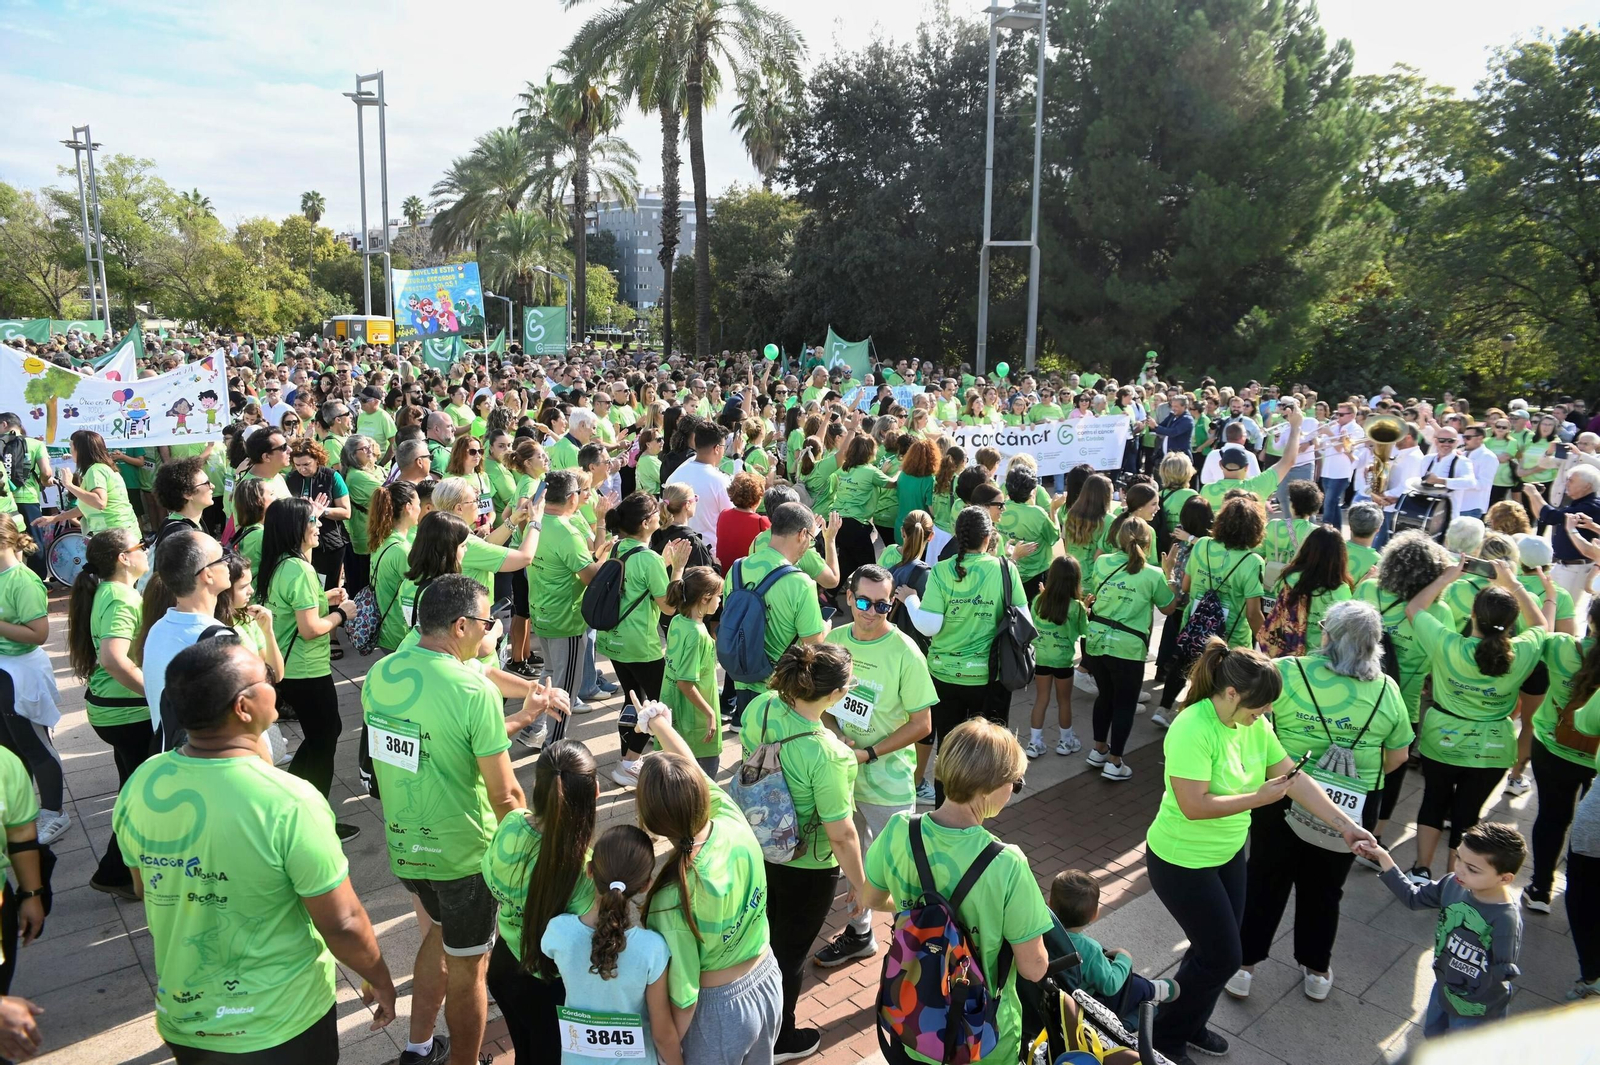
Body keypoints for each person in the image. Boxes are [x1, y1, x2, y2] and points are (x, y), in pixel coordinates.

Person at [114, 637, 396, 1063]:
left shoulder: (144, 781)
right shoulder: (289, 801)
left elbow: (143, 888)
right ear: (243, 707)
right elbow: (342, 922)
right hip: (281, 1025)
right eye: (265, 676)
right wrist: (379, 977)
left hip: (186, 1019)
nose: (274, 682)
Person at [1144, 640, 1373, 1062]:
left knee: (1213, 950)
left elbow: (1293, 779)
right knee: (1222, 957)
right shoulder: (1192, 727)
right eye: (1260, 705)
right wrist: (1258, 798)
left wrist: (1346, 826)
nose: (1265, 713)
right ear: (1231, 693)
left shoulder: (1254, 725)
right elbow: (1194, 806)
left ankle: (1186, 1024)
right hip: (1181, 861)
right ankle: (1165, 1038)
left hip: (1227, 853)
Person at [366, 574, 531, 1065]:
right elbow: (505, 793)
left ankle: (418, 1047)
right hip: (464, 855)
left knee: (438, 933)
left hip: (406, 846)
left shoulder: (381, 674)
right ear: (461, 626)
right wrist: (529, 854)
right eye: (486, 622)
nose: (489, 631)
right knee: (469, 967)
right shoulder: (472, 689)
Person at [1227, 601, 1412, 1003]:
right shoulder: (1387, 689)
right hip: (1355, 803)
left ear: (1327, 634)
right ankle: (1316, 970)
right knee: (1326, 888)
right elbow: (1399, 755)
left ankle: (1243, 967)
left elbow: (1252, 722)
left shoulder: (1289, 671)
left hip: (1283, 790)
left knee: (1265, 878)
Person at [859, 718, 1052, 1065]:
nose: (1014, 790)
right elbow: (1034, 969)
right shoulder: (1007, 864)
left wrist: (911, 910)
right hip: (982, 1038)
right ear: (989, 788)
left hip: (915, 1022)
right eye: (1015, 783)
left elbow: (869, 899)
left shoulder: (898, 830)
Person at [736, 642, 869, 1060]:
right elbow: (842, 834)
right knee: (790, 953)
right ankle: (779, 1040)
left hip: (757, 846)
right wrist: (860, 883)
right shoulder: (829, 754)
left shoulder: (759, 707)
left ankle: (750, 1020)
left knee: (762, 938)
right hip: (807, 865)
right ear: (836, 694)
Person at [635, 713, 782, 1065]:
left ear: (653, 823)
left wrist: (669, 1057)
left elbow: (684, 998)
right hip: (767, 979)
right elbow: (692, 769)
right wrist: (659, 723)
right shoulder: (731, 818)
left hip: (718, 1014)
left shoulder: (672, 899)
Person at [812, 564, 937, 969]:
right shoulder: (834, 641)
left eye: (882, 605)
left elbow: (923, 724)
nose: (871, 612)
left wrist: (869, 753)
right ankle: (860, 933)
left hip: (887, 784)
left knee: (900, 872)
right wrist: (834, 734)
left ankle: (914, 950)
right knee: (852, 860)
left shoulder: (905, 651)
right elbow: (821, 704)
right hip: (842, 777)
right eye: (863, 602)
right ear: (849, 597)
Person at [1403, 558, 1553, 883]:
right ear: (1512, 622)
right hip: (1493, 748)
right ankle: (1455, 881)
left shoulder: (1447, 643)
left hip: (1442, 739)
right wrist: (1513, 583)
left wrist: (1447, 576)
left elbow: (1414, 608)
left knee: (1433, 801)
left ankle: (1420, 870)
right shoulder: (1524, 650)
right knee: (1468, 814)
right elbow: (1542, 624)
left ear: (1473, 615)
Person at [898, 507, 1033, 797]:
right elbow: (1025, 621)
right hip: (990, 678)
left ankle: (945, 808)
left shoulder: (941, 570)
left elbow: (929, 626)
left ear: (958, 536)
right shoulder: (1006, 569)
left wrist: (910, 600)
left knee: (948, 749)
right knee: (989, 750)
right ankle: (982, 805)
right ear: (988, 538)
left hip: (944, 677)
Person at [482, 740, 600, 1064]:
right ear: (595, 793)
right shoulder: (585, 870)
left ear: (537, 787)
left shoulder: (511, 823)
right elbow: (585, 942)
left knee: (524, 1052)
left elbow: (488, 872)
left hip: (504, 967)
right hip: (550, 987)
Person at [1356, 823, 1526, 1037]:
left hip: (1477, 1009)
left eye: (1472, 869)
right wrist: (1383, 857)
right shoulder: (1452, 884)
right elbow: (1413, 898)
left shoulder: (1505, 919)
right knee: (1433, 1035)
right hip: (1444, 987)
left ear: (1505, 878)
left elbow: (1502, 972)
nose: (1459, 869)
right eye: (1458, 858)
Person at [256, 496, 357, 839]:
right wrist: (342, 614)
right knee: (324, 739)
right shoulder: (298, 569)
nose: (319, 526)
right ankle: (313, 819)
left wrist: (324, 599)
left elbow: (293, 609)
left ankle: (292, 802)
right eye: (312, 521)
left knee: (321, 735)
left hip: (292, 670)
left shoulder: (281, 563)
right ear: (294, 529)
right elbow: (310, 628)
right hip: (307, 669)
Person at [542, 825, 684, 1065]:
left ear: (589, 870)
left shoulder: (558, 931)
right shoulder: (653, 949)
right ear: (646, 885)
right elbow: (662, 1034)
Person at [1353, 532, 1455, 848]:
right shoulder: (1438, 612)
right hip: (1401, 705)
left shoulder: (1368, 589)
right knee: (1393, 771)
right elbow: (1442, 660)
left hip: (1355, 695)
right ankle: (1377, 834)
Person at [66, 529, 151, 896]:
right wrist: (157, 693)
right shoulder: (120, 597)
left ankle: (121, 871)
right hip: (126, 713)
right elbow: (114, 659)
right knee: (141, 795)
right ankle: (116, 873)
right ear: (123, 558)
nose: (145, 550)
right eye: (141, 546)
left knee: (131, 789)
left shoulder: (109, 591)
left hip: (112, 709)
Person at [1520, 598, 1600, 914]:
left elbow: (1535, 632)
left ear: (1590, 620)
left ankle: (1541, 888)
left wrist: (1546, 597)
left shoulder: (1561, 646)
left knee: (1552, 817)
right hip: (1596, 760)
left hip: (1552, 747)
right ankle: (1582, 888)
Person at [1083, 518, 1177, 780]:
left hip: (1097, 640)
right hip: (1129, 647)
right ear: (1148, 543)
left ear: (1118, 538)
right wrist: (1169, 573)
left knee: (1105, 696)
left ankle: (1098, 750)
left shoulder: (1102, 562)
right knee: (1125, 704)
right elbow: (1169, 608)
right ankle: (1115, 763)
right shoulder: (1153, 574)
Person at [721, 502, 827, 728]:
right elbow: (813, 645)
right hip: (777, 688)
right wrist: (825, 628)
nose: (809, 544)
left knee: (750, 740)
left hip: (741, 678)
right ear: (802, 534)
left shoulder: (737, 568)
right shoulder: (800, 583)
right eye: (811, 538)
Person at [531, 471, 615, 734]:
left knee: (548, 675)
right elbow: (591, 578)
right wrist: (603, 559)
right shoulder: (567, 532)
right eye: (580, 492)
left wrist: (594, 555)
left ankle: (534, 729)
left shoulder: (535, 522)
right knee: (564, 689)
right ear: (571, 497)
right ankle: (554, 745)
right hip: (565, 620)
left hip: (541, 613)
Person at [597, 492, 692, 710]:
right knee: (662, 705)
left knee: (633, 703)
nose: (660, 513)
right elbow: (669, 608)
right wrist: (677, 568)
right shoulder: (649, 559)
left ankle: (630, 734)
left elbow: (634, 581)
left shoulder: (617, 547)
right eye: (655, 511)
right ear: (646, 523)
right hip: (639, 646)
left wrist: (662, 562)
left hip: (612, 640)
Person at [0, 521, 63, 844]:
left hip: (22, 673)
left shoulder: (22, 580)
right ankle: (20, 813)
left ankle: (54, 813)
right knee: (9, 750)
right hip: (4, 672)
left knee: (35, 745)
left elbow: (38, 634)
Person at [138, 530, 233, 745]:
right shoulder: (217, 638)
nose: (229, 562)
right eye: (223, 557)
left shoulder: (158, 629)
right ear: (207, 575)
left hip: (174, 756)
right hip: (212, 759)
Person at [1049, 869, 1178, 1022]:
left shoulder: (1041, 932)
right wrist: (1124, 958)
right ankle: (1153, 989)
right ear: (1094, 914)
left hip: (1055, 993)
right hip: (1086, 1002)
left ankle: (1148, 989)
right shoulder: (1089, 949)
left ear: (1050, 903)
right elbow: (1110, 985)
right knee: (1130, 984)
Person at [651, 567, 724, 780]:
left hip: (676, 711)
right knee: (702, 778)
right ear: (704, 598)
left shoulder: (678, 621)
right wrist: (710, 713)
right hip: (695, 719)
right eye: (718, 596)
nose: (720, 601)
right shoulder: (697, 634)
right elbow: (685, 683)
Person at [1027, 556, 1088, 759]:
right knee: (1064, 701)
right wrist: (1086, 610)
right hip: (1063, 661)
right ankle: (1065, 741)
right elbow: (1084, 631)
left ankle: (1034, 743)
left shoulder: (1038, 601)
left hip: (1042, 658)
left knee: (1041, 699)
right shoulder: (1076, 606)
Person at [34, 430, 141, 538]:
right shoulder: (104, 468)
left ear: (80, 449)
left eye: (71, 446)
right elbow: (85, 507)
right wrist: (55, 518)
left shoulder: (96, 470)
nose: (70, 450)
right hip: (122, 532)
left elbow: (99, 502)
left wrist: (69, 485)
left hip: (114, 534)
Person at [1265, 526, 1352, 655]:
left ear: (1307, 549)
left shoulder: (1289, 577)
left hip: (1284, 649)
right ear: (1340, 557)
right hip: (1317, 657)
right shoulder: (1339, 590)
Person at [367, 481, 423, 654]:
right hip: (401, 635)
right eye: (418, 504)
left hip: (387, 632)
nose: (420, 508)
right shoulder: (402, 550)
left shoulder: (382, 540)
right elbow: (420, 590)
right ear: (408, 507)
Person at [664, 421, 734, 554]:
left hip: (676, 550)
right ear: (717, 448)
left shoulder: (675, 474)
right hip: (709, 554)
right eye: (724, 446)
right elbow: (730, 519)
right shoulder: (720, 481)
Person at [997, 465, 1057, 599]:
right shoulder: (1038, 513)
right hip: (1037, 574)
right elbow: (1054, 538)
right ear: (1032, 490)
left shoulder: (1000, 508)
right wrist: (1054, 510)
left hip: (1008, 569)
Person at [715, 472, 769, 572]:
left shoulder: (723, 514)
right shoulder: (761, 521)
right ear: (758, 497)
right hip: (745, 575)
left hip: (722, 573)